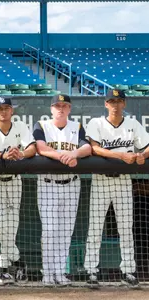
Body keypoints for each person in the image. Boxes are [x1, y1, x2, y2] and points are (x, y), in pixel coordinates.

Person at [84, 89, 149, 287]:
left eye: (119, 101)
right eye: (111, 101)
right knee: (95, 227)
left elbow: (147, 146)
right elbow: (94, 148)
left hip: (123, 180)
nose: (115, 104)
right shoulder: (96, 123)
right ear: (106, 104)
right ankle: (91, 270)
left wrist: (142, 156)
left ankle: (128, 270)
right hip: (101, 180)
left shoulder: (132, 124)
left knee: (126, 228)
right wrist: (121, 156)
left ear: (124, 104)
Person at [33, 94, 91, 286]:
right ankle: (47, 273)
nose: (60, 108)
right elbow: (40, 148)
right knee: (49, 230)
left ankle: (59, 272)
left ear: (69, 109)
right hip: (48, 184)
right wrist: (63, 157)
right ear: (51, 109)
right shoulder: (41, 125)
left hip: (72, 184)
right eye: (57, 105)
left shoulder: (77, 127)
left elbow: (87, 148)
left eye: (64, 106)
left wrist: (74, 153)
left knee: (66, 231)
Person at [0, 97, 36, 284]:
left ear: (13, 111)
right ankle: (19, 261)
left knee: (12, 224)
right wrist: (2, 155)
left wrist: (21, 154)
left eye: (7, 108)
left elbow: (32, 148)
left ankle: (4, 269)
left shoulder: (21, 127)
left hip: (14, 181)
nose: (3, 112)